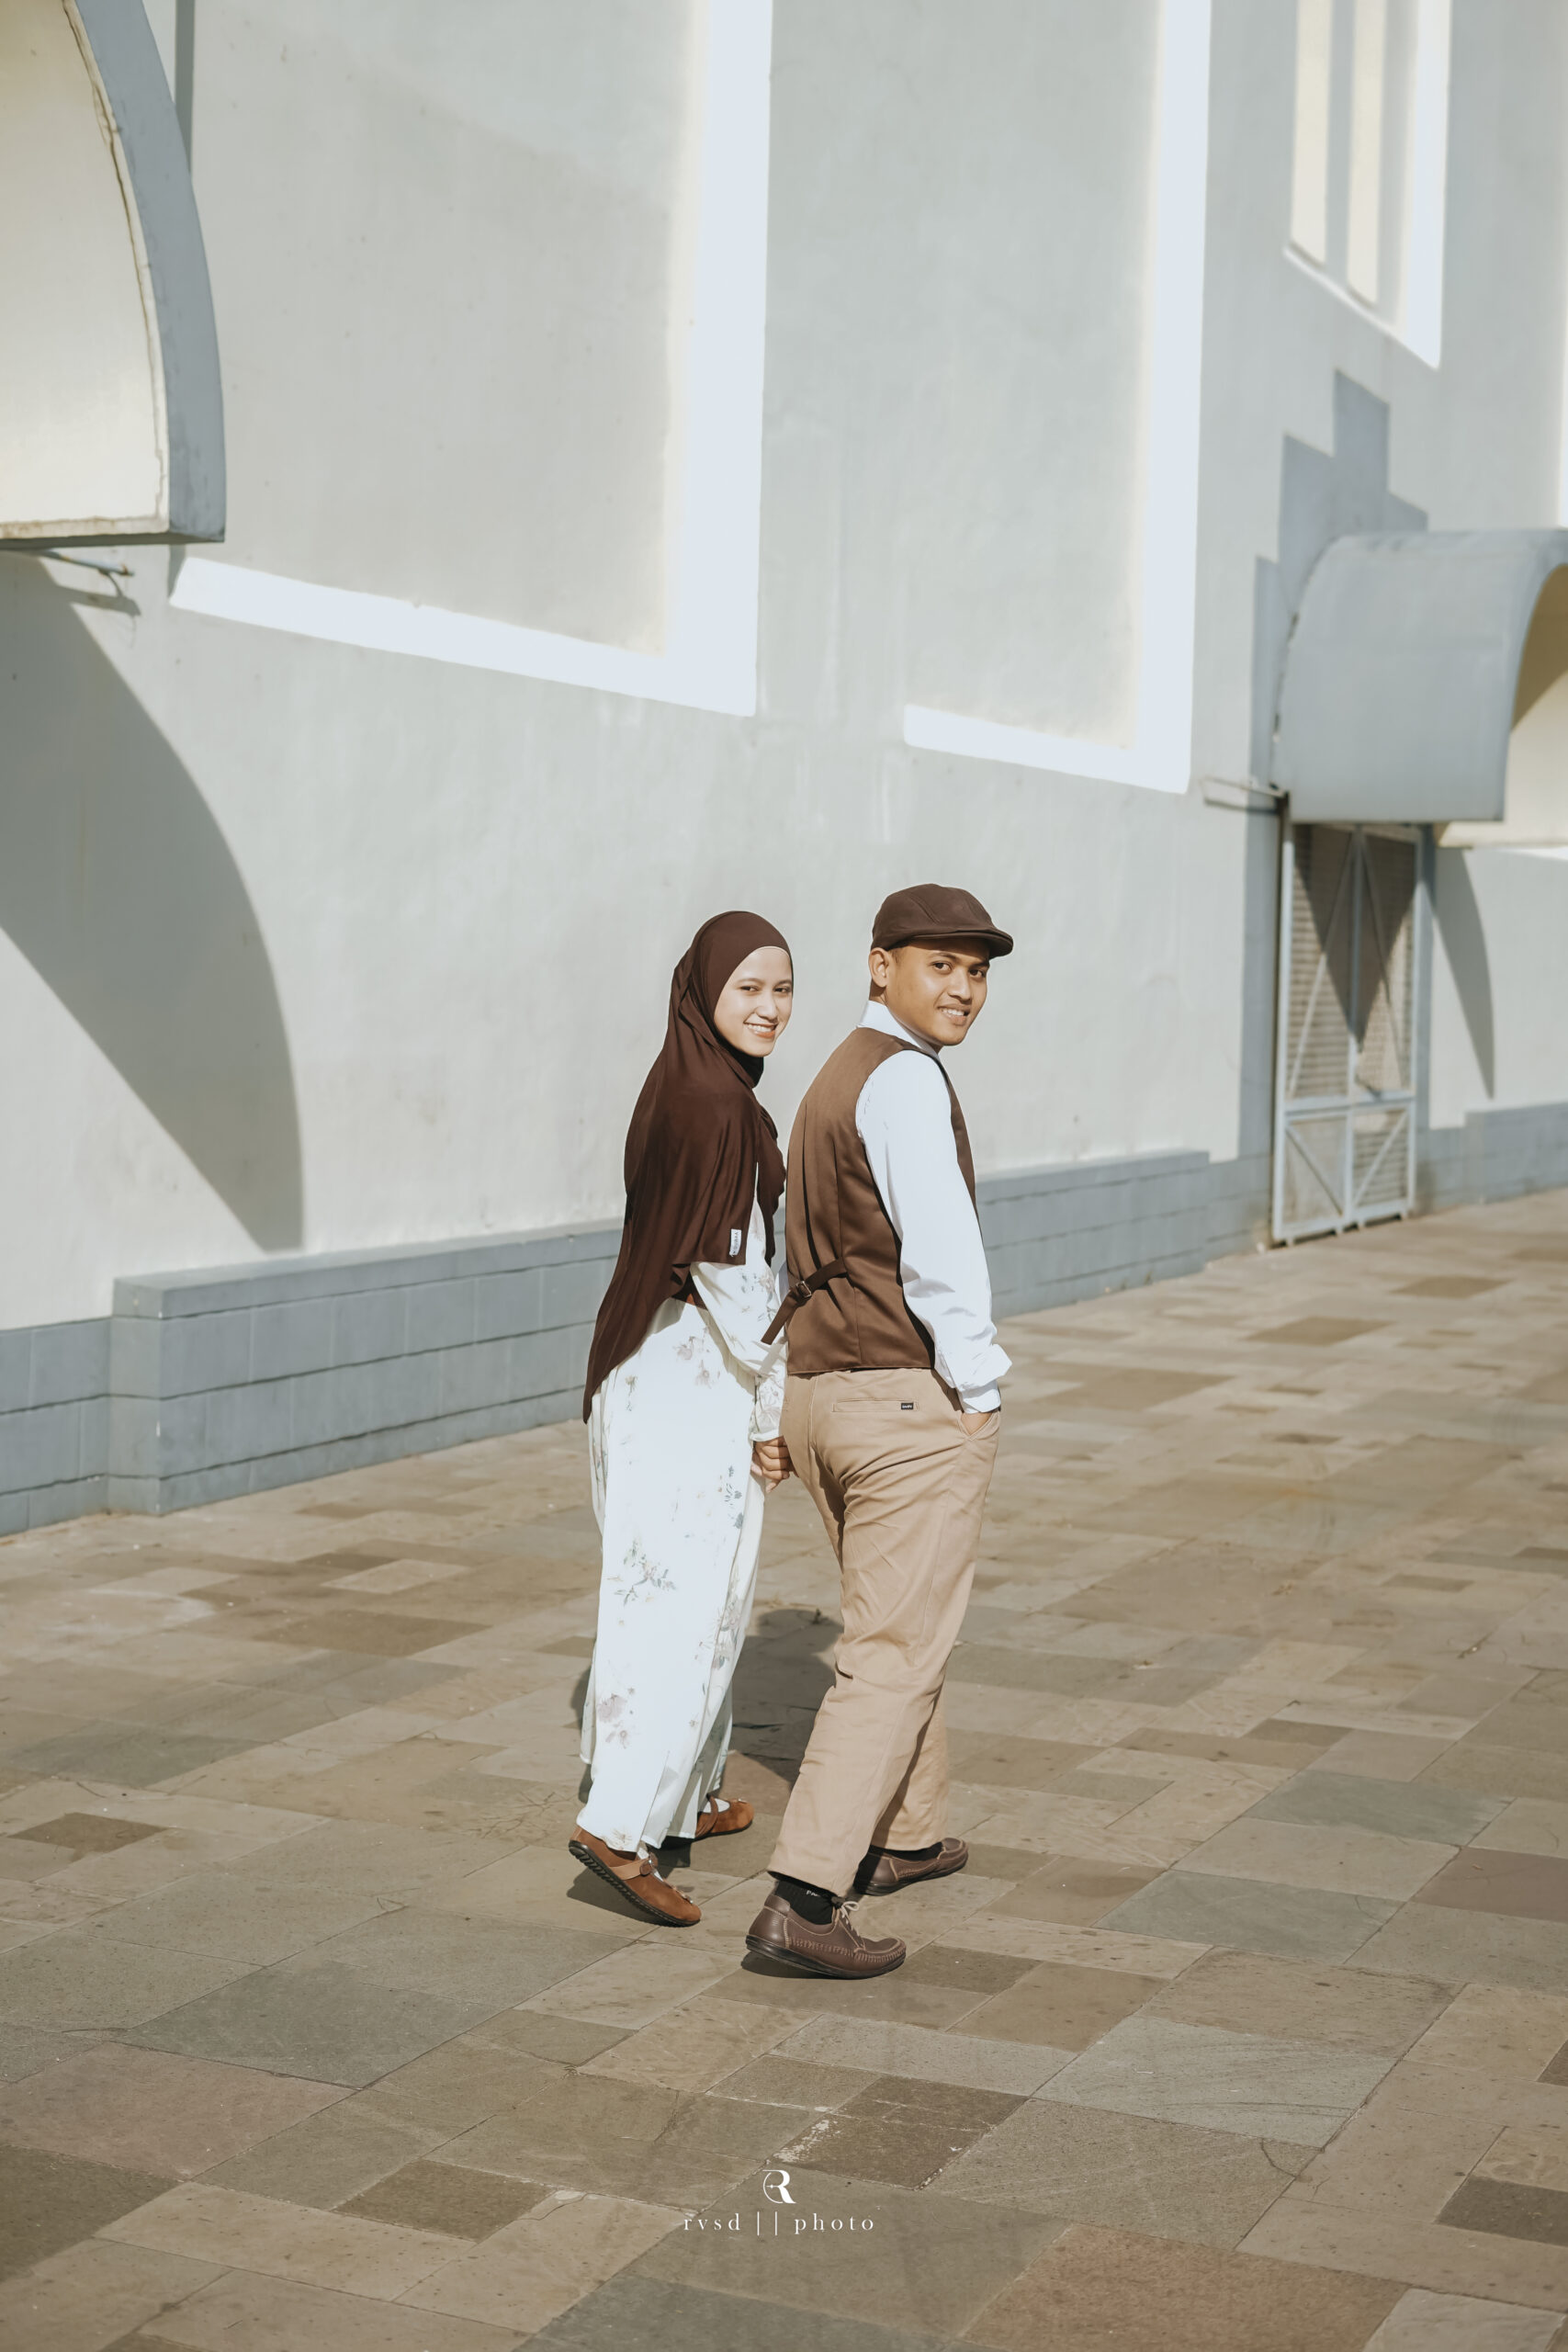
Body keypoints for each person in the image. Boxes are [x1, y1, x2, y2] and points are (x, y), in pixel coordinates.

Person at [745, 883, 1011, 1976]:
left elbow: (791, 1256)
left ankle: (906, 1832)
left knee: (903, 1618)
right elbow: (942, 1252)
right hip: (900, 1401)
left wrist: (776, 1402)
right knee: (893, 1650)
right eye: (939, 965)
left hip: (825, 1393)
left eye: (977, 971)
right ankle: (805, 1898)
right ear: (879, 965)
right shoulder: (902, 1078)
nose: (963, 988)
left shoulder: (834, 1075)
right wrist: (980, 1387)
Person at [570, 910, 794, 1927]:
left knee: (667, 1593)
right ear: (705, 991)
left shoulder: (682, 1082)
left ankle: (687, 1794)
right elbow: (739, 1285)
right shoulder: (717, 1107)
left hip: (644, 1370)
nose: (769, 1007)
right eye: (749, 987)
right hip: (693, 1390)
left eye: (782, 989)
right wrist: (775, 1411)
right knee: (682, 1607)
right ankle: (620, 1827)